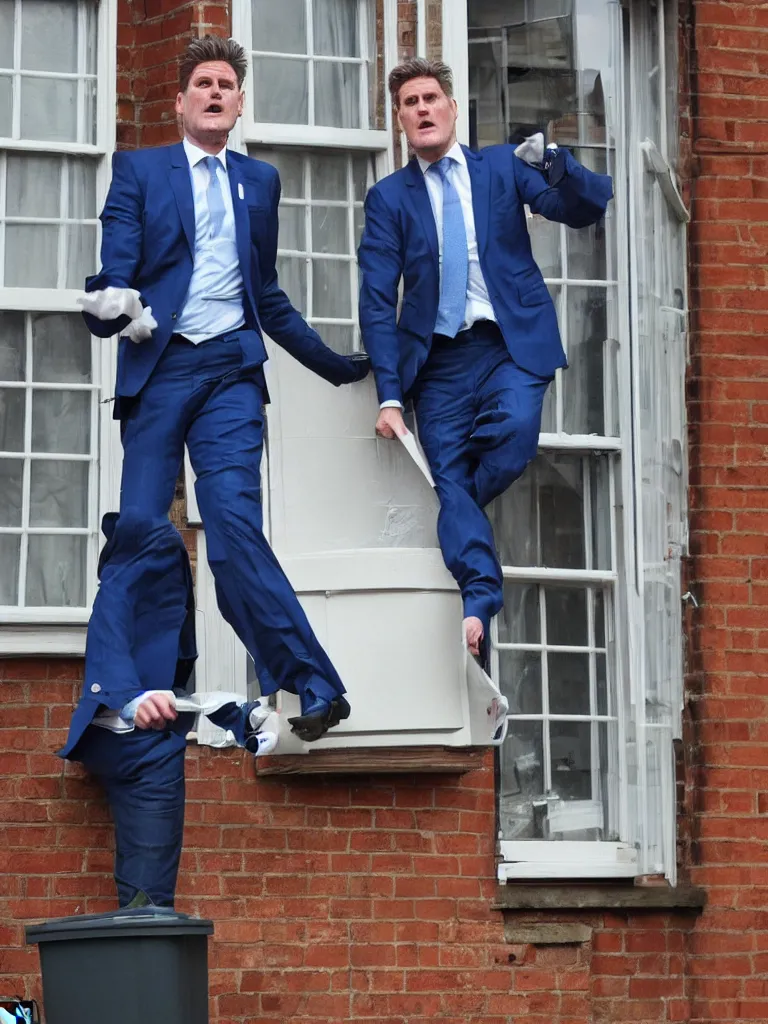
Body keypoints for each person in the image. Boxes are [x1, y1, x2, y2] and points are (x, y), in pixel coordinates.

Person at [59, 35, 369, 907]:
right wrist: (115, 305)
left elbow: (266, 296)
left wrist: (336, 366)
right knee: (143, 533)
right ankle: (121, 694)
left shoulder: (257, 183)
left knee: (233, 527)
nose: (215, 95)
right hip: (161, 367)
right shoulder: (141, 170)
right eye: (203, 83)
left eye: (228, 85)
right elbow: (115, 266)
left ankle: (313, 682)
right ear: (182, 100)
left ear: (239, 103)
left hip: (232, 369)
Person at [358, 58, 612, 661]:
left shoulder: (499, 166)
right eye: (408, 103)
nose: (420, 109)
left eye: (429, 98)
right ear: (399, 121)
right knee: (450, 477)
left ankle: (457, 523)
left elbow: (586, 207)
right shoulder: (389, 198)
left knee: (510, 441)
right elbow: (375, 299)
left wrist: (554, 160)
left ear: (451, 107)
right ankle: (478, 597)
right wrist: (389, 395)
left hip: (508, 344)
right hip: (438, 363)